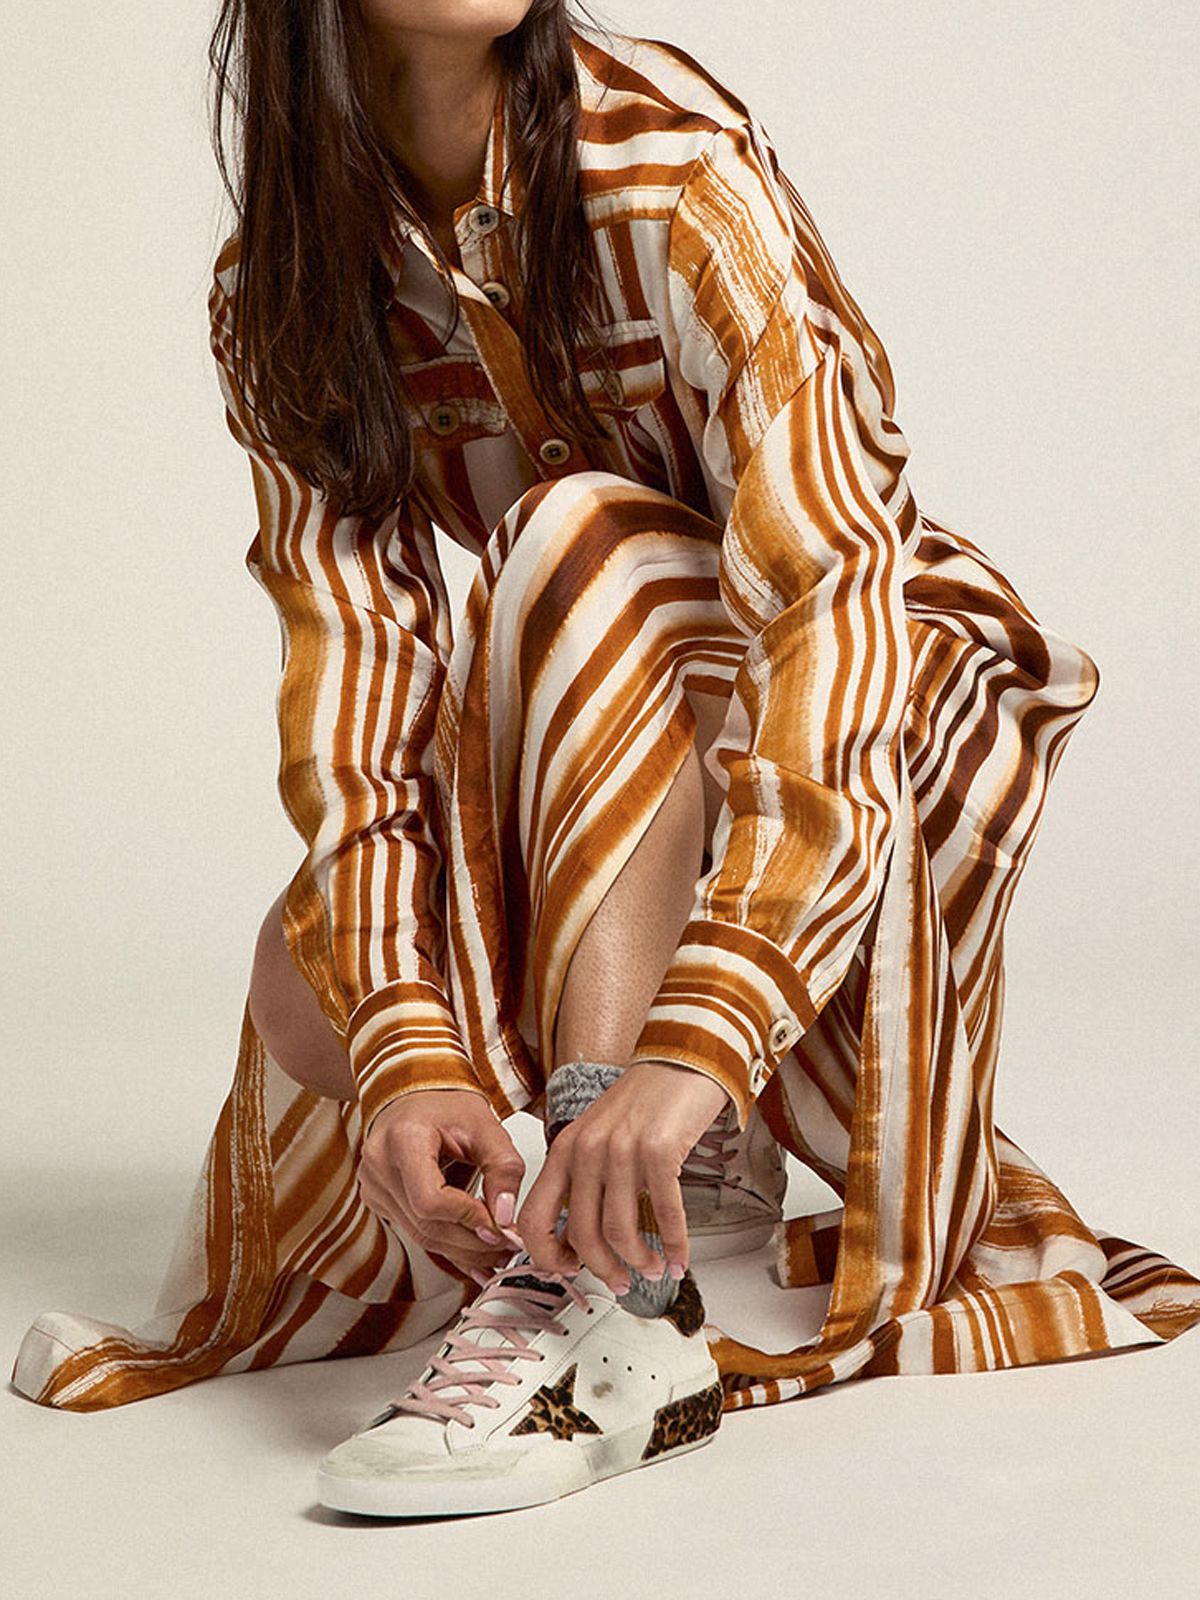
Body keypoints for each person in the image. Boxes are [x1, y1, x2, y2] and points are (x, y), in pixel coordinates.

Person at [12, 0, 1200, 1516]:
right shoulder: (287, 280)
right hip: (618, 763)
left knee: (584, 537)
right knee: (312, 991)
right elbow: (360, 701)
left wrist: (703, 1031)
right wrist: (405, 1058)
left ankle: (619, 1296)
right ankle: (655, 1163)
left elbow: (833, 600)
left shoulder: (672, 168)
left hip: (873, 750)